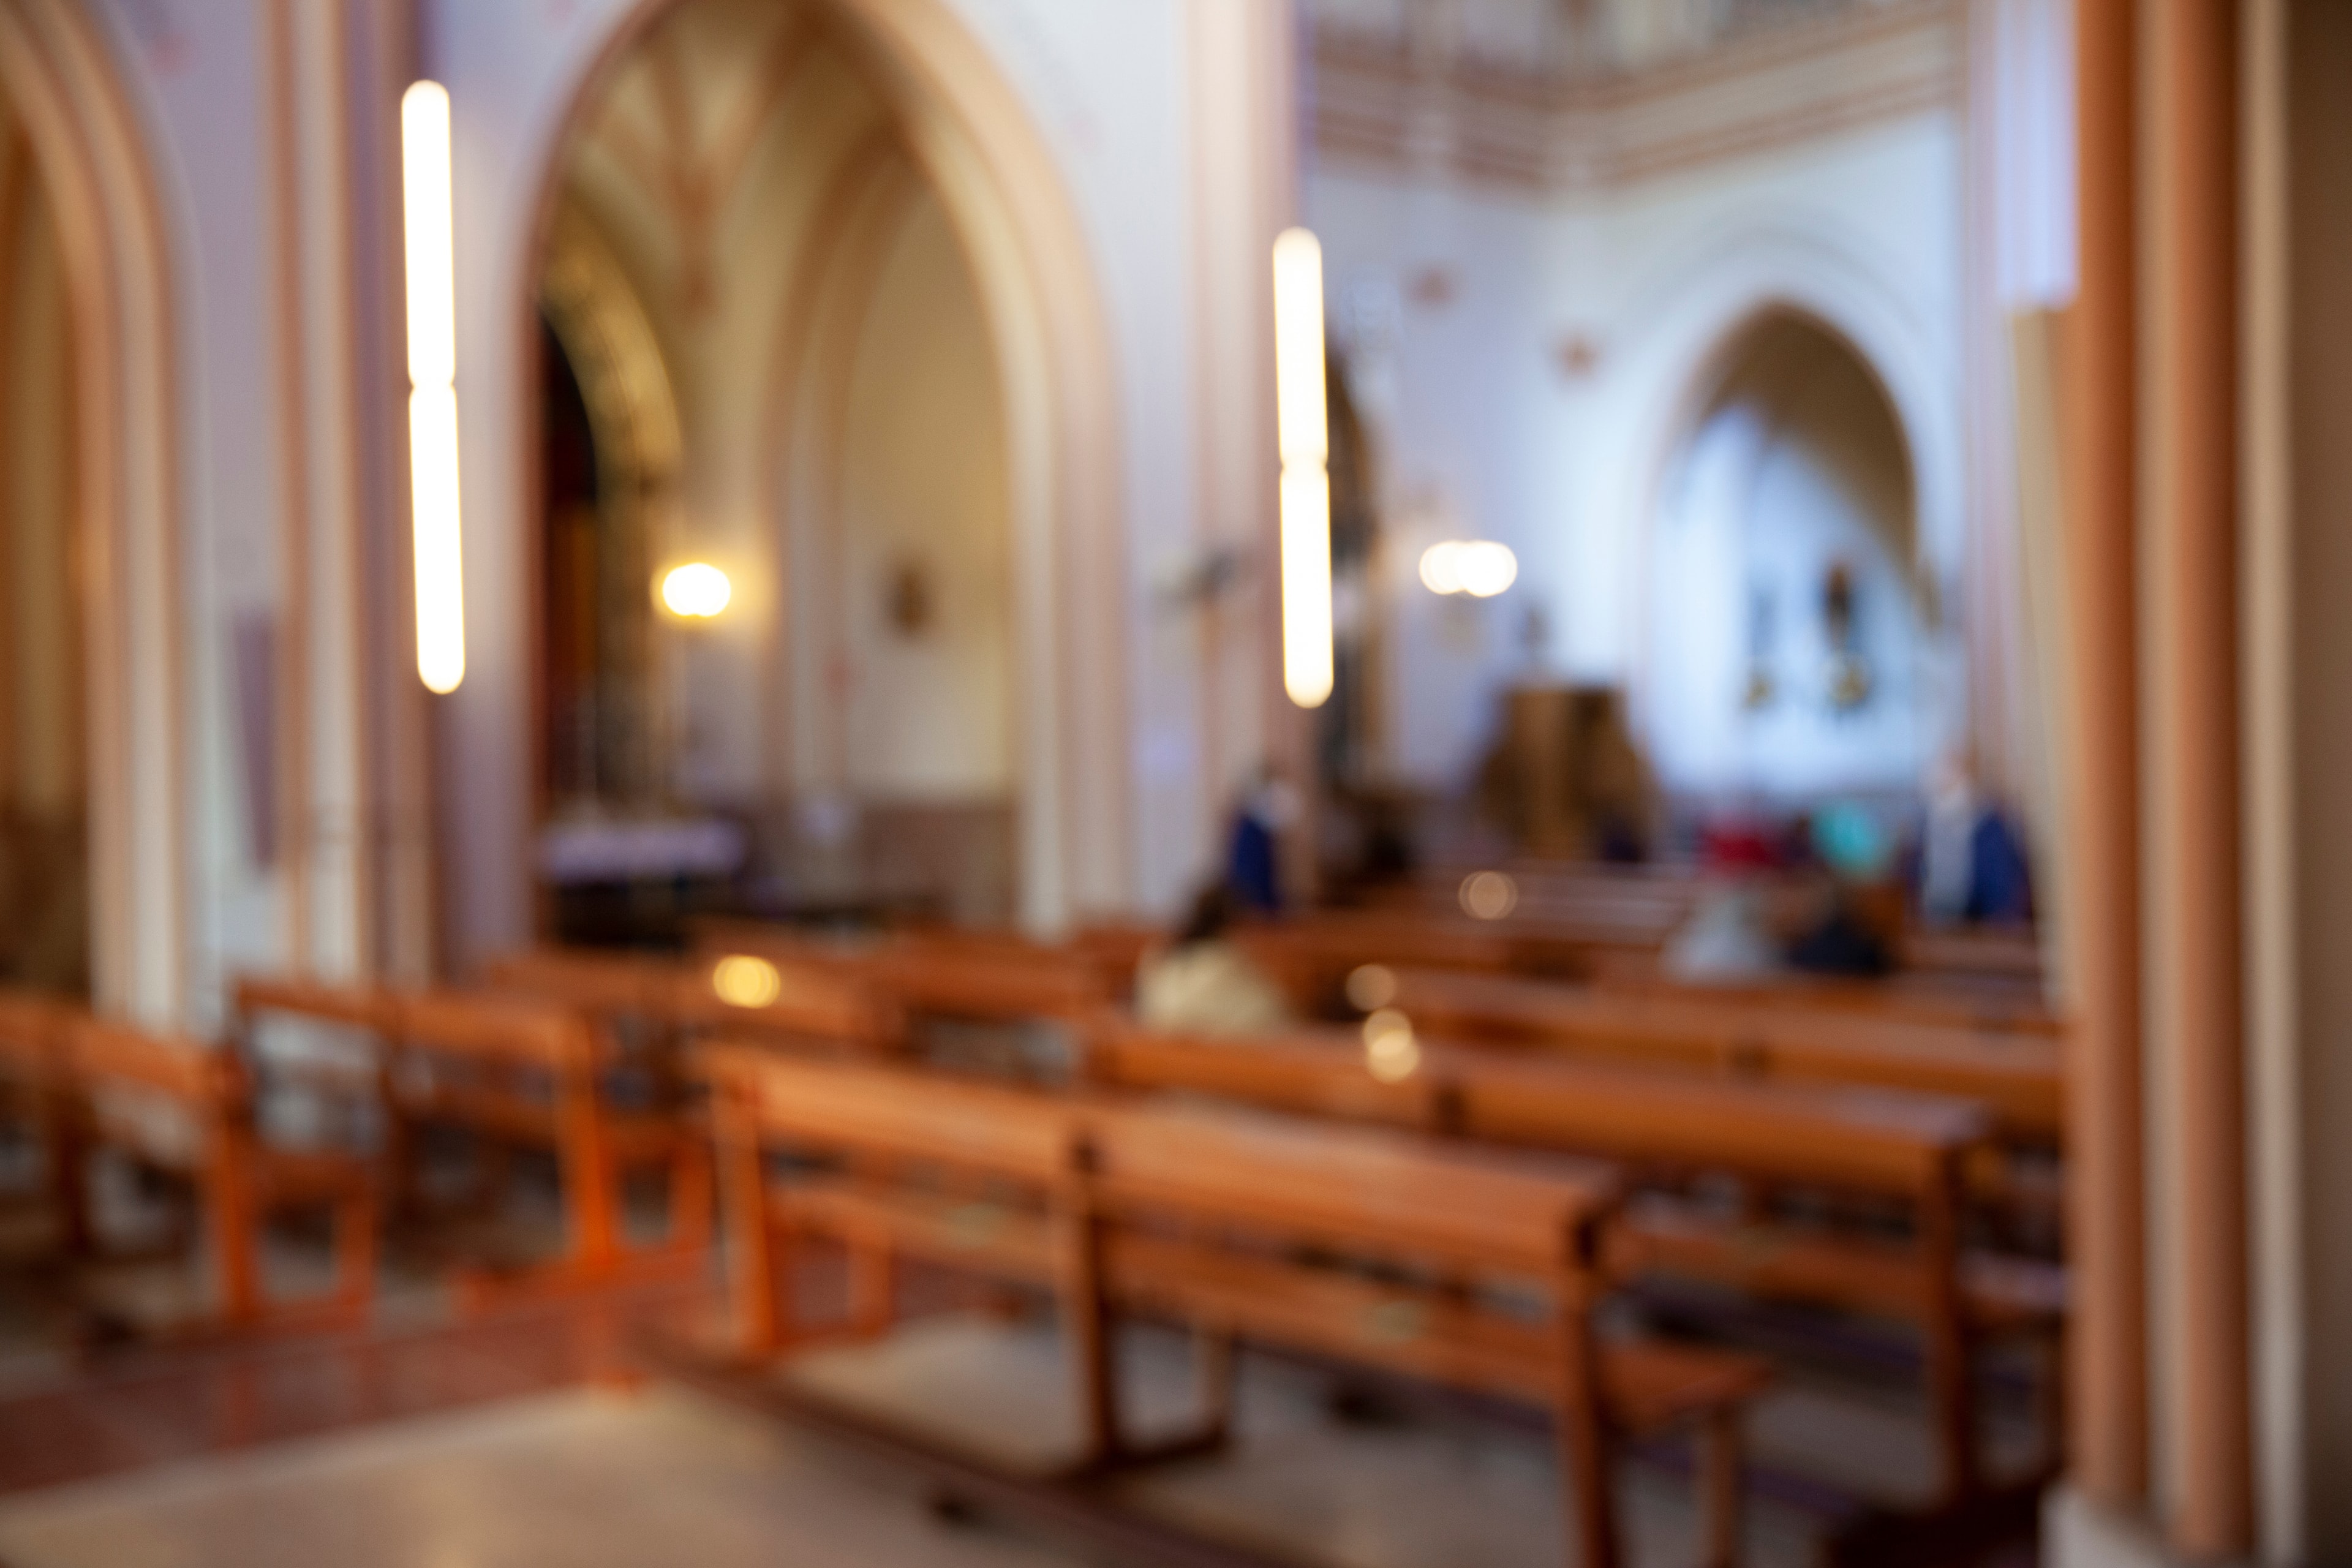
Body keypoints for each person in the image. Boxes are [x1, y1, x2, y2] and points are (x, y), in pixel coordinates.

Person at [1136, 884, 1293, 1036]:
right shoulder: (1223, 962)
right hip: (1212, 1056)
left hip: (1159, 1053)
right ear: (1233, 922)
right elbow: (1271, 1013)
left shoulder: (1164, 954)